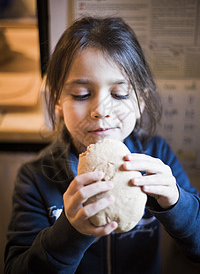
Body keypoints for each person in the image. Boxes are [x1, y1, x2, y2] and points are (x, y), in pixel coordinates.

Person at [4, 16, 200, 273]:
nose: (101, 110)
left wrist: (177, 203)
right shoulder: (36, 178)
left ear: (141, 101)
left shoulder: (157, 156)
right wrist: (69, 233)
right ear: (58, 102)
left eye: (119, 94)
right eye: (81, 94)